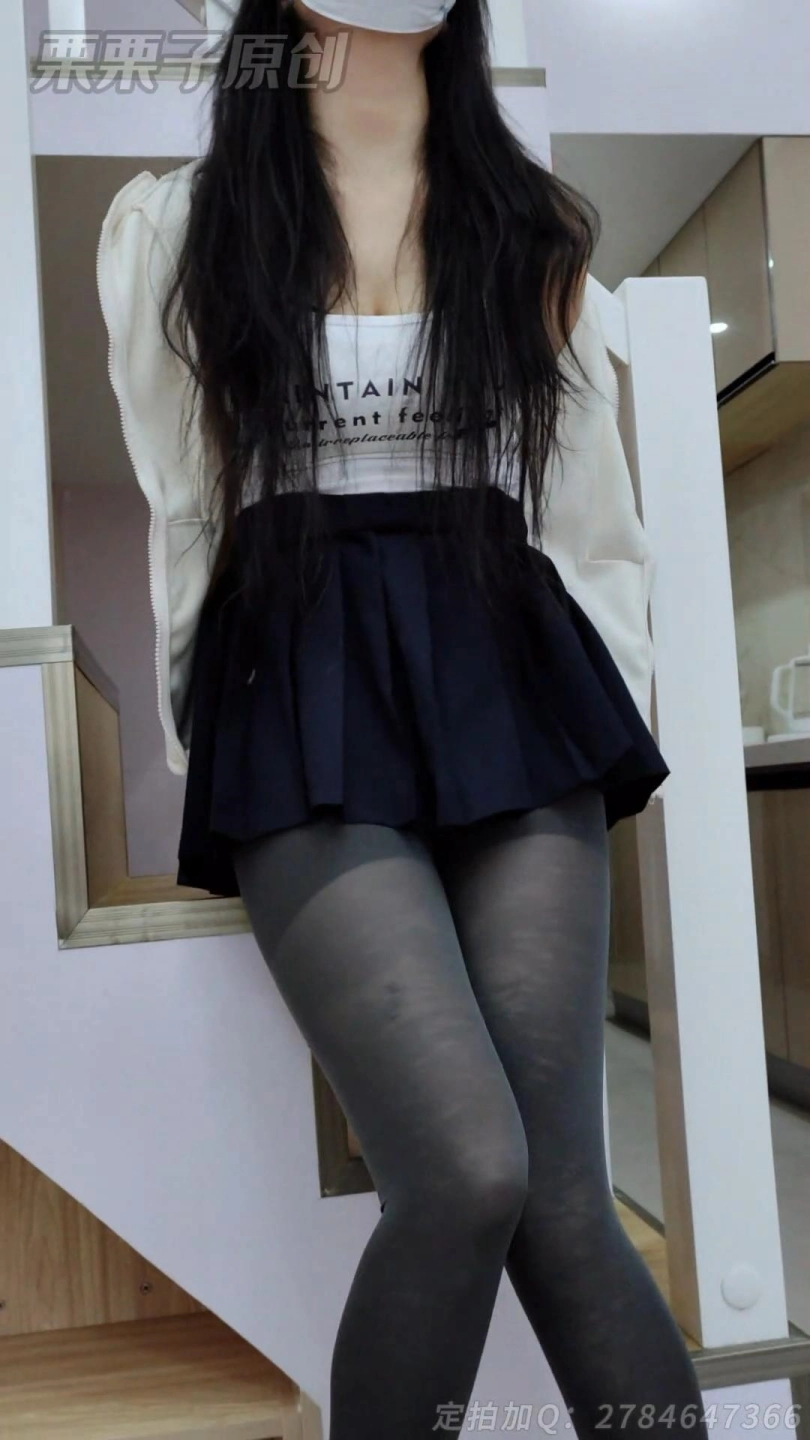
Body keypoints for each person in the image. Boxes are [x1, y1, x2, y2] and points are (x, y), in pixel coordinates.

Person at [97, 2, 707, 1436]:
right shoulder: (177, 228)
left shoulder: (527, 227)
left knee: (563, 1196)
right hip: (296, 662)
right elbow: (186, 505)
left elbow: (589, 519)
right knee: (466, 1169)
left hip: (506, 658)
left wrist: (604, 712)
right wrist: (207, 737)